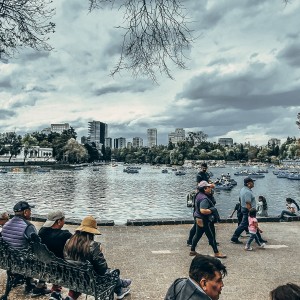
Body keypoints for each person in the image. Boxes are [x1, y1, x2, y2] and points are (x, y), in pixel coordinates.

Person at [63, 216, 131, 300]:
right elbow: (102, 269)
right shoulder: (93, 246)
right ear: (91, 233)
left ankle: (121, 286)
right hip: (90, 281)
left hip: (73, 277)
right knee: (113, 273)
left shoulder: (69, 242)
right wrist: (99, 252)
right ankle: (121, 285)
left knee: (108, 273)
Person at [1, 201, 51, 296]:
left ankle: (29, 282)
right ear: (25, 212)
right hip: (24, 263)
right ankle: (39, 286)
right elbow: (37, 247)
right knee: (46, 259)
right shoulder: (28, 226)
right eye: (30, 210)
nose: (31, 212)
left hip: (9, 261)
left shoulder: (6, 224)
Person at [38, 210, 72, 300]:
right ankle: (56, 291)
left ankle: (45, 286)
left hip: (42, 266)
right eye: (63, 220)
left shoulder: (41, 232)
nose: (64, 222)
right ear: (59, 221)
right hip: (59, 270)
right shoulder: (64, 235)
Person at [189, 181, 226, 258]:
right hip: (203, 219)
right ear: (205, 189)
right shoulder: (204, 199)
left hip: (198, 218)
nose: (210, 188)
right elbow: (203, 210)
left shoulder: (198, 194)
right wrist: (212, 210)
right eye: (208, 187)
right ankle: (216, 253)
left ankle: (192, 251)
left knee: (197, 235)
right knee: (211, 237)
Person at [230, 177, 266, 244]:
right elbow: (248, 203)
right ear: (248, 183)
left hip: (244, 209)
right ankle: (234, 238)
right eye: (252, 182)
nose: (253, 184)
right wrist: (251, 213)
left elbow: (241, 200)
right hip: (248, 210)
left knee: (253, 224)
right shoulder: (247, 192)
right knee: (243, 225)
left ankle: (259, 238)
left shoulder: (243, 189)